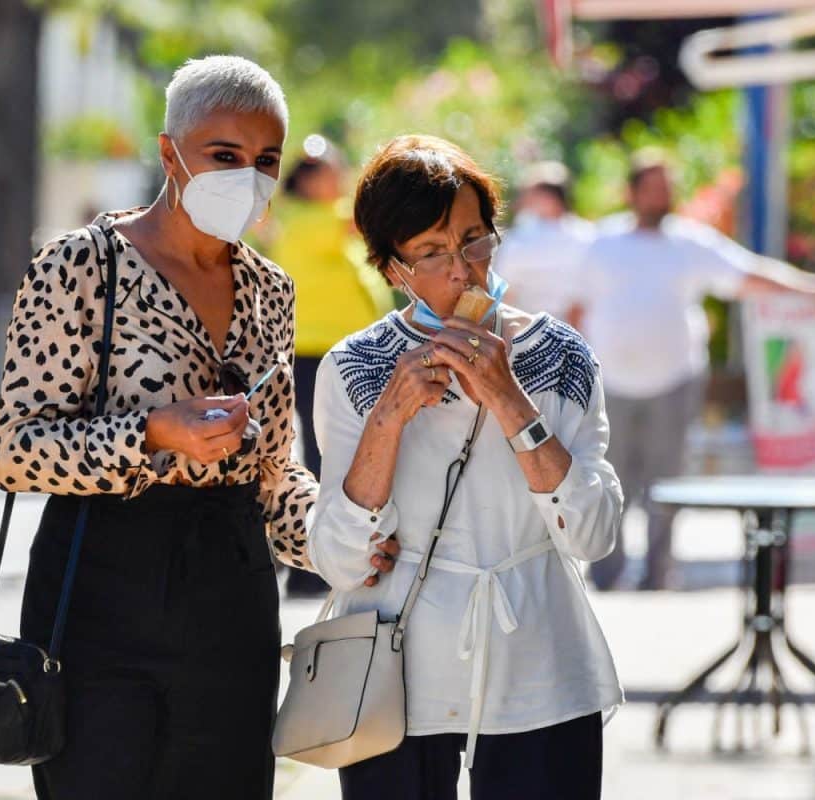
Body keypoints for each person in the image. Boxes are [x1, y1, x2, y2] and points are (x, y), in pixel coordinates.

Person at [0, 56, 330, 799]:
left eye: (266, 159)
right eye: (225, 156)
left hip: (231, 594)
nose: (249, 175)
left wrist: (346, 541)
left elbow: (276, 474)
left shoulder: (272, 290)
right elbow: (15, 452)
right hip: (100, 586)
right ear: (170, 152)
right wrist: (151, 434)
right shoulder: (81, 268)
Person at [309, 134, 624, 799]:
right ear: (392, 269)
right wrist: (389, 419)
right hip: (395, 677)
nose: (463, 270)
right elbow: (338, 558)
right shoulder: (355, 367)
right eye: (431, 253)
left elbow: (592, 534)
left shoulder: (561, 356)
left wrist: (510, 400)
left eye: (475, 240)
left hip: (539, 668)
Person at [577, 150, 815, 592]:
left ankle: (657, 575)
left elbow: (747, 274)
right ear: (633, 192)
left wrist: (808, 289)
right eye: (652, 186)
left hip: (673, 382)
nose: (661, 195)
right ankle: (604, 573)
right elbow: (572, 307)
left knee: (666, 483)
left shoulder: (689, 242)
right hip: (610, 383)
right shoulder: (601, 244)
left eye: (666, 186)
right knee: (608, 481)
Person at [259, 136, 394, 595]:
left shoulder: (322, 220)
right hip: (317, 353)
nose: (335, 175)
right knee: (323, 457)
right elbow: (372, 213)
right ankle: (308, 561)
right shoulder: (307, 220)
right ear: (306, 178)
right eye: (326, 168)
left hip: (341, 354)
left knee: (338, 452)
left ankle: (320, 557)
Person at [495, 161, 594, 326]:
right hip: (540, 327)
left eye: (529, 193)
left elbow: (506, 292)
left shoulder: (520, 239)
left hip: (536, 329)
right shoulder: (588, 235)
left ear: (548, 197)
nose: (523, 200)